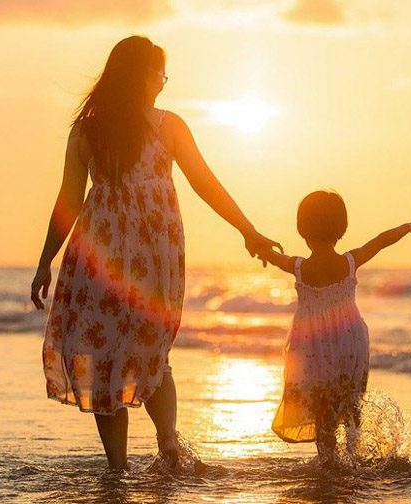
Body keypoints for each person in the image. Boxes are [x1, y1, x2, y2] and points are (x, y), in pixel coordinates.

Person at [29, 35, 280, 471]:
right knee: (150, 350)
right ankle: (168, 449)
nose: (163, 83)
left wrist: (46, 260)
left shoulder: (89, 129)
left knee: (104, 353)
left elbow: (69, 200)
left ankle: (119, 467)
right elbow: (205, 182)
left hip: (99, 253)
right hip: (151, 252)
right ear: (143, 76)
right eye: (160, 73)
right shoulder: (166, 125)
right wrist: (248, 231)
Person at [257, 190, 411, 465]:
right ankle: (353, 456)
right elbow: (382, 241)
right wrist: (408, 227)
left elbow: (272, 256)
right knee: (351, 402)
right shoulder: (350, 262)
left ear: (302, 230)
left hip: (313, 347)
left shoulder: (299, 267)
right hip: (350, 341)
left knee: (322, 407)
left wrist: (258, 247)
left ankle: (330, 461)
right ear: (342, 228)